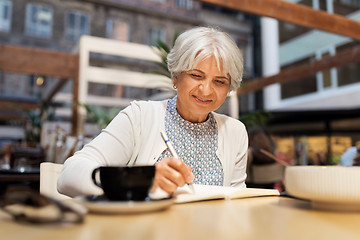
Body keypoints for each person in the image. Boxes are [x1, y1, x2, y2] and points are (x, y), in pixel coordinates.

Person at [57, 26, 248, 197]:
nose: (206, 90)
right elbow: (69, 175)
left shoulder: (235, 132)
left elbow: (237, 200)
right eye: (196, 75)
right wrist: (140, 180)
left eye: (219, 81)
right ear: (175, 77)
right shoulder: (139, 117)